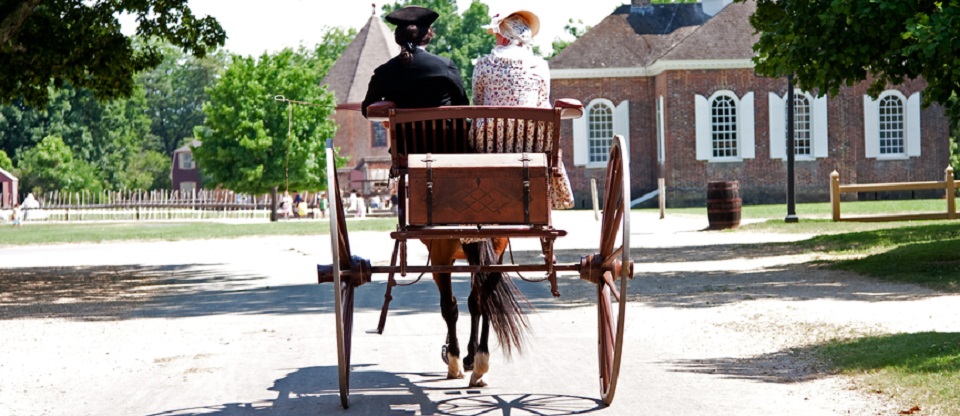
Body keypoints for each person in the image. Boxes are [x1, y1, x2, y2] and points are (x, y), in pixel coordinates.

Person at [471, 10, 575, 210]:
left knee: (475, 133)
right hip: (530, 144)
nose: (495, 39)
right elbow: (542, 101)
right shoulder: (540, 66)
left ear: (504, 37)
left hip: (489, 144)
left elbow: (478, 101)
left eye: (497, 34)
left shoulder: (484, 65)